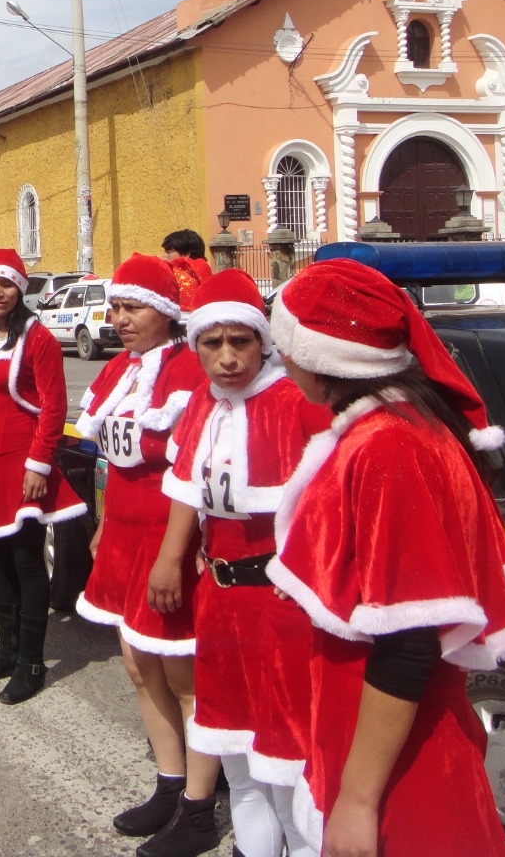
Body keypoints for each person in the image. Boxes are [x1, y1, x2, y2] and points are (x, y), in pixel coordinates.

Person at [268, 258, 505, 857]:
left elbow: (409, 638)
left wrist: (358, 802)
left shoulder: (388, 445)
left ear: (319, 355)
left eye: (284, 345)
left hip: (403, 767)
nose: (280, 360)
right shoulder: (392, 423)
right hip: (369, 738)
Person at [150, 269, 332, 857]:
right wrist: (170, 558)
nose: (227, 357)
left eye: (241, 341)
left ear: (263, 341)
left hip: (280, 604)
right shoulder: (204, 402)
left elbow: (331, 507)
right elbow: (185, 487)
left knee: (287, 761)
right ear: (195, 345)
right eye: (212, 343)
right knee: (238, 756)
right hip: (220, 600)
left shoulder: (296, 403)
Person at [69, 255, 214, 850]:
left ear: (167, 313)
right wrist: (103, 522)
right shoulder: (118, 372)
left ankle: (201, 806)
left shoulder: (192, 372)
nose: (120, 319)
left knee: (184, 674)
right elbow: (106, 456)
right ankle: (169, 780)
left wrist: (182, 551)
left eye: (133, 308)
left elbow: (201, 469)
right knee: (136, 665)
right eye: (117, 308)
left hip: (170, 540)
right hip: (124, 535)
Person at [0, 248, 86, 705]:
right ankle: (5, 651)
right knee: (0, 559)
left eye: (6, 284)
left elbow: (53, 406)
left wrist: (38, 464)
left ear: (19, 288)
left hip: (22, 465)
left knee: (27, 562)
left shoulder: (38, 337)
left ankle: (32, 662)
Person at [162, 230, 212, 311]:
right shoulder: (205, 270)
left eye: (169, 252)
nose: (164, 257)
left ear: (186, 254)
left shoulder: (180, 274)